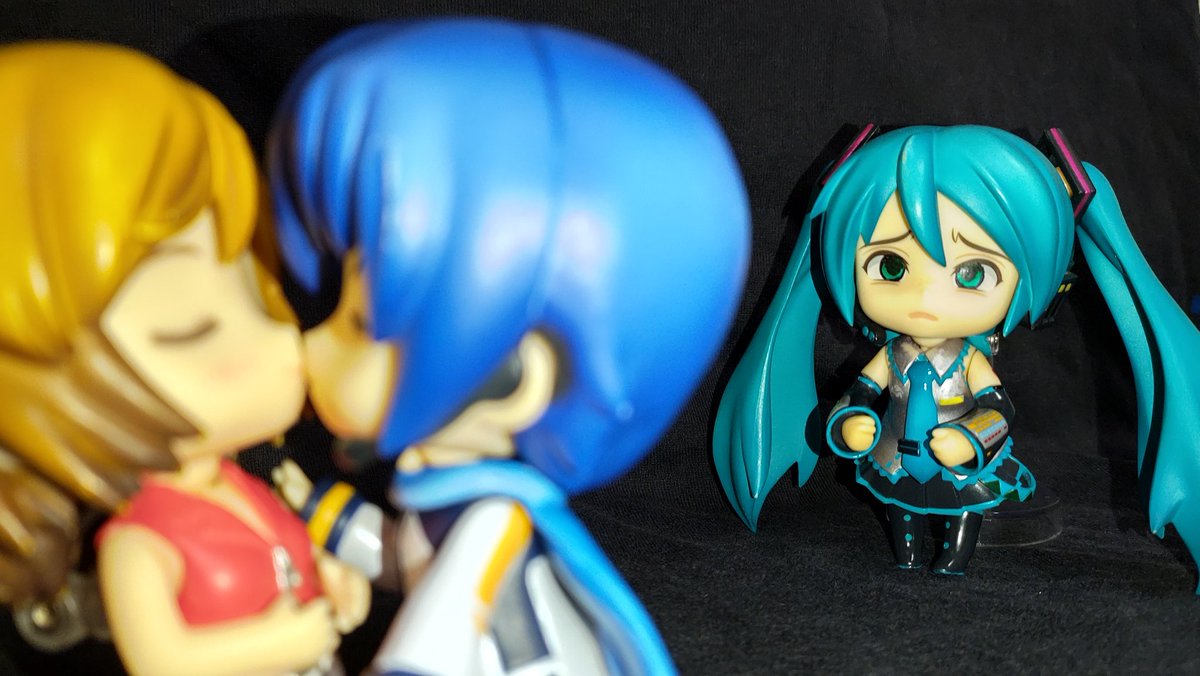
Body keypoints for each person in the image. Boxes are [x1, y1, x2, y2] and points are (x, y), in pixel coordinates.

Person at [268, 18, 749, 674]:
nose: (308, 346)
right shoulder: (444, 492)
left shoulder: (493, 519)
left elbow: (435, 639)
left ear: (514, 379)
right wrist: (320, 512)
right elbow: (404, 561)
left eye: (356, 323)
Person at [0, 42, 367, 674]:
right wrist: (274, 646)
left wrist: (332, 576)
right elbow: (160, 661)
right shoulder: (137, 541)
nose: (282, 344)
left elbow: (285, 557)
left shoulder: (243, 483)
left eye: (256, 294)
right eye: (190, 330)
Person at [714, 125, 1200, 580]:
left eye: (971, 273)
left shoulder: (970, 361)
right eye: (891, 266)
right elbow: (860, 393)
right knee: (900, 509)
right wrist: (850, 423)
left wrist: (971, 438)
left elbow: (999, 408)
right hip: (896, 455)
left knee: (965, 508)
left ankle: (953, 557)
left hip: (959, 459)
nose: (926, 298)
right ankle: (907, 551)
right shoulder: (892, 356)